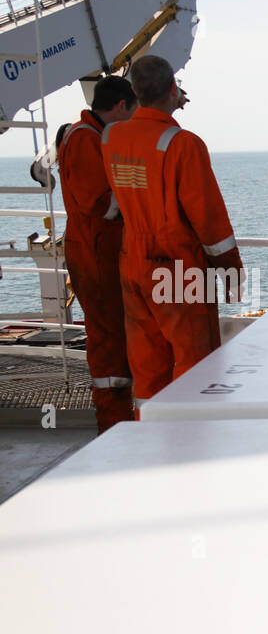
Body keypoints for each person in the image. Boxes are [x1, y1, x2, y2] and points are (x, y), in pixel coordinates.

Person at [102, 55, 243, 405]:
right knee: (195, 364)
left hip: (132, 262)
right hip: (176, 268)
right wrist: (231, 273)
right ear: (172, 88)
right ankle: (192, 445)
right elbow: (210, 223)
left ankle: (148, 439)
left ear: (133, 91)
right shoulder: (183, 145)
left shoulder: (111, 137)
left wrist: (166, 105)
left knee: (147, 364)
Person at [57, 76, 136, 431]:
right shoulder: (85, 139)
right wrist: (138, 190)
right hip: (94, 251)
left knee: (114, 336)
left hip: (98, 249)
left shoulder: (90, 135)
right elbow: (101, 204)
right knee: (108, 340)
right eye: (133, 112)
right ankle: (113, 424)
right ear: (121, 106)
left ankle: (118, 419)